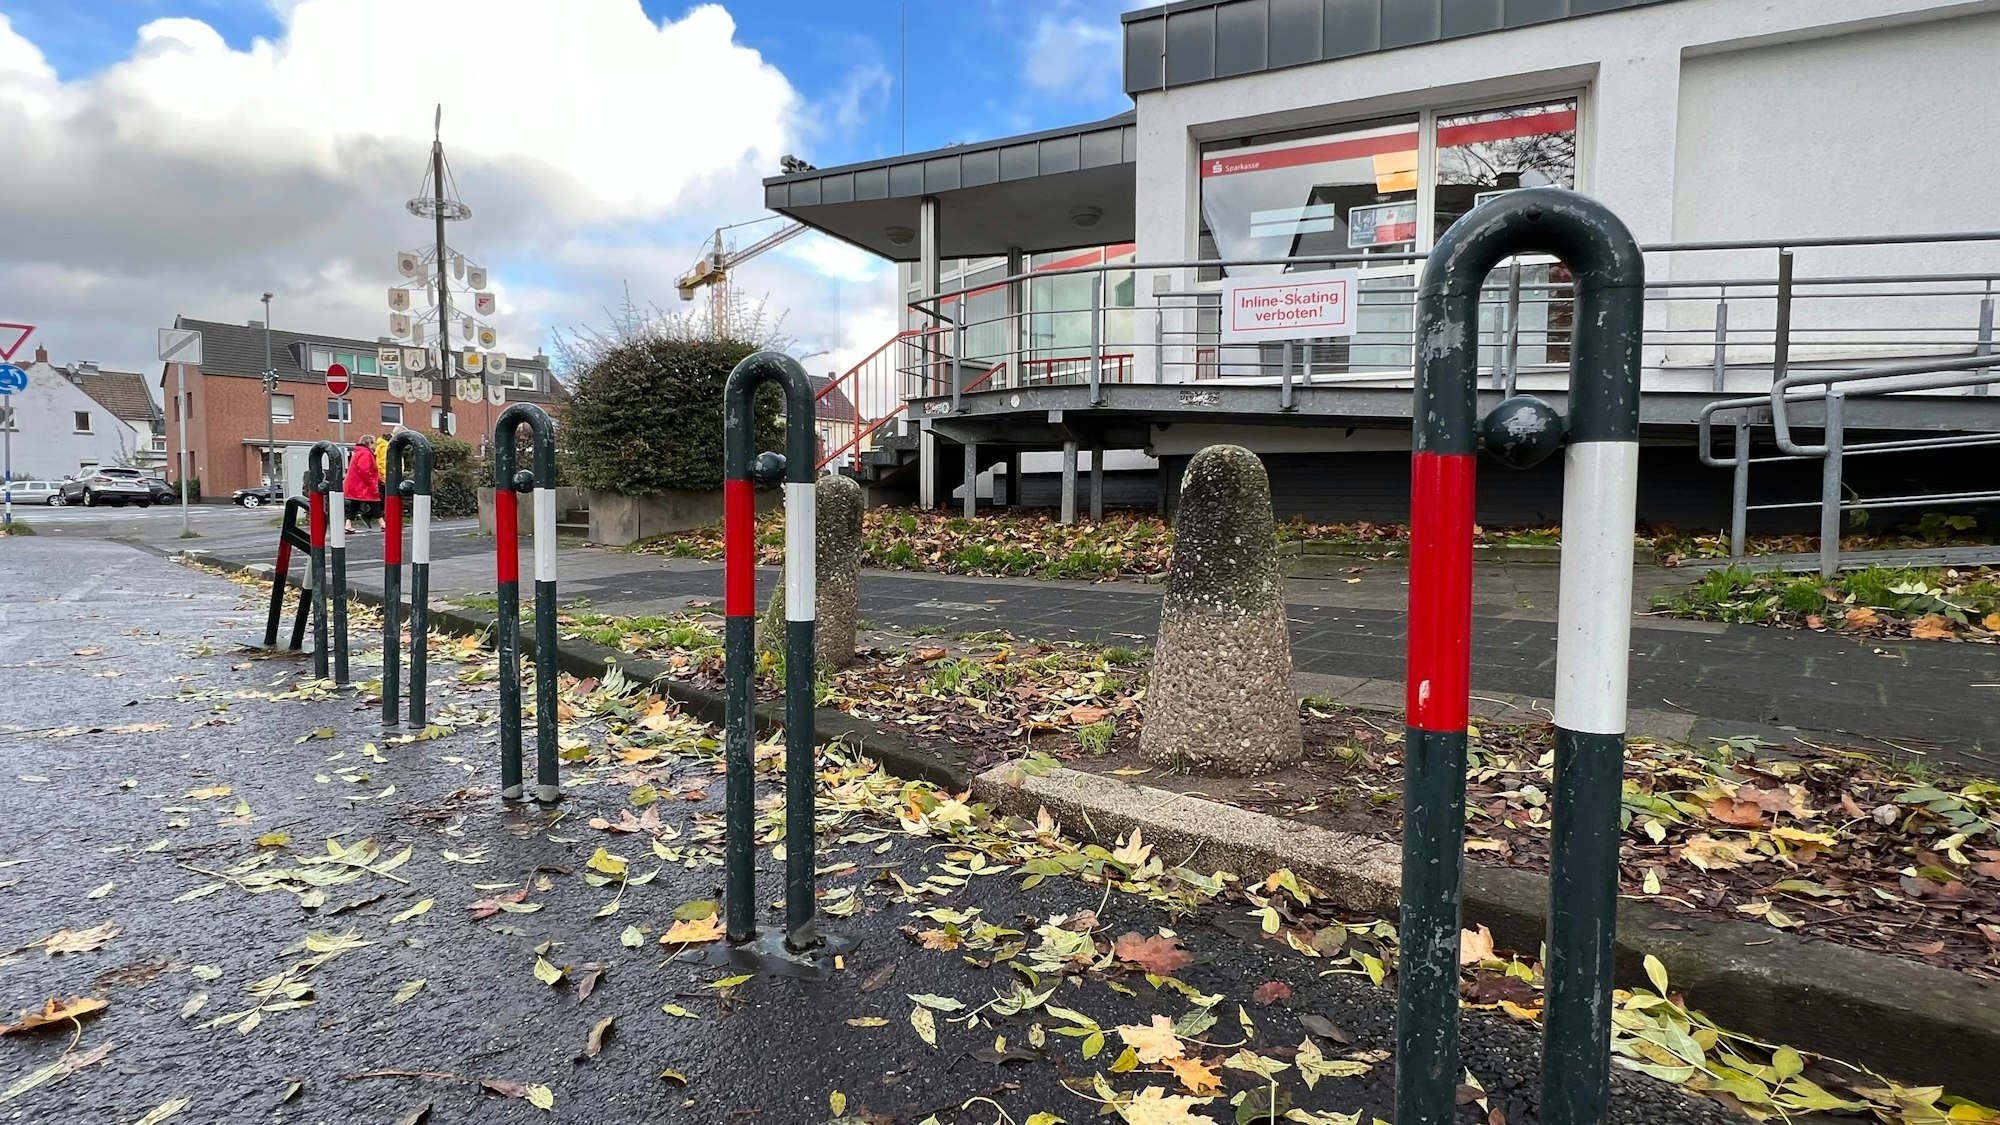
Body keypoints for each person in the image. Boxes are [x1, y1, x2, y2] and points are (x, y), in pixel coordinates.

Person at [344, 436, 381, 533]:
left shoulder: (359, 452)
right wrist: (372, 483)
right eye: (374, 443)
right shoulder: (366, 453)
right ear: (370, 443)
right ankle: (382, 523)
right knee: (374, 501)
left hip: (355, 484)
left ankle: (348, 524)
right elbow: (364, 470)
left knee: (354, 504)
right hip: (362, 484)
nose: (375, 446)